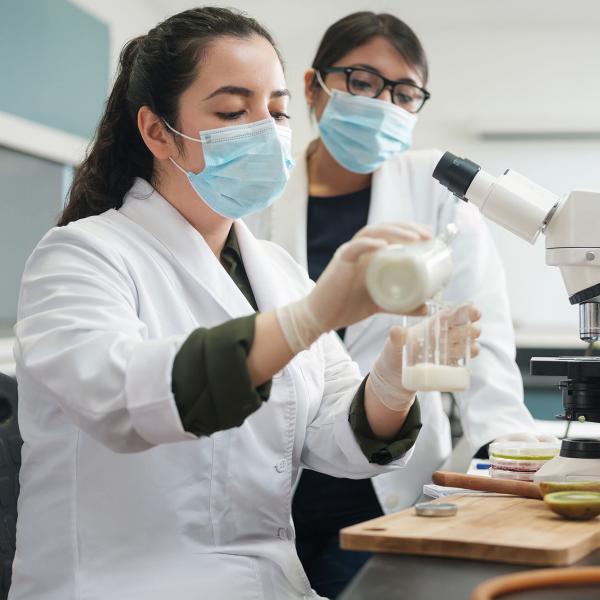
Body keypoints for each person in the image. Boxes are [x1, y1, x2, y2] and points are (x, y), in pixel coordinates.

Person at [9, 8, 481, 600]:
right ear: (157, 132)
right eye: (233, 112)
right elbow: (124, 397)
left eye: (278, 112)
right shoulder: (81, 255)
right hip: (120, 584)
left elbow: (333, 439)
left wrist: (397, 375)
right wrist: (311, 319)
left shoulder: (277, 272)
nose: (265, 130)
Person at [245, 11, 551, 598]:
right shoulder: (256, 193)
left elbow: (480, 339)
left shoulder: (435, 194)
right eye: (361, 82)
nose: (383, 104)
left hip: (384, 484)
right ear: (313, 87)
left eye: (404, 92)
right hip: (267, 473)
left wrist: (509, 455)